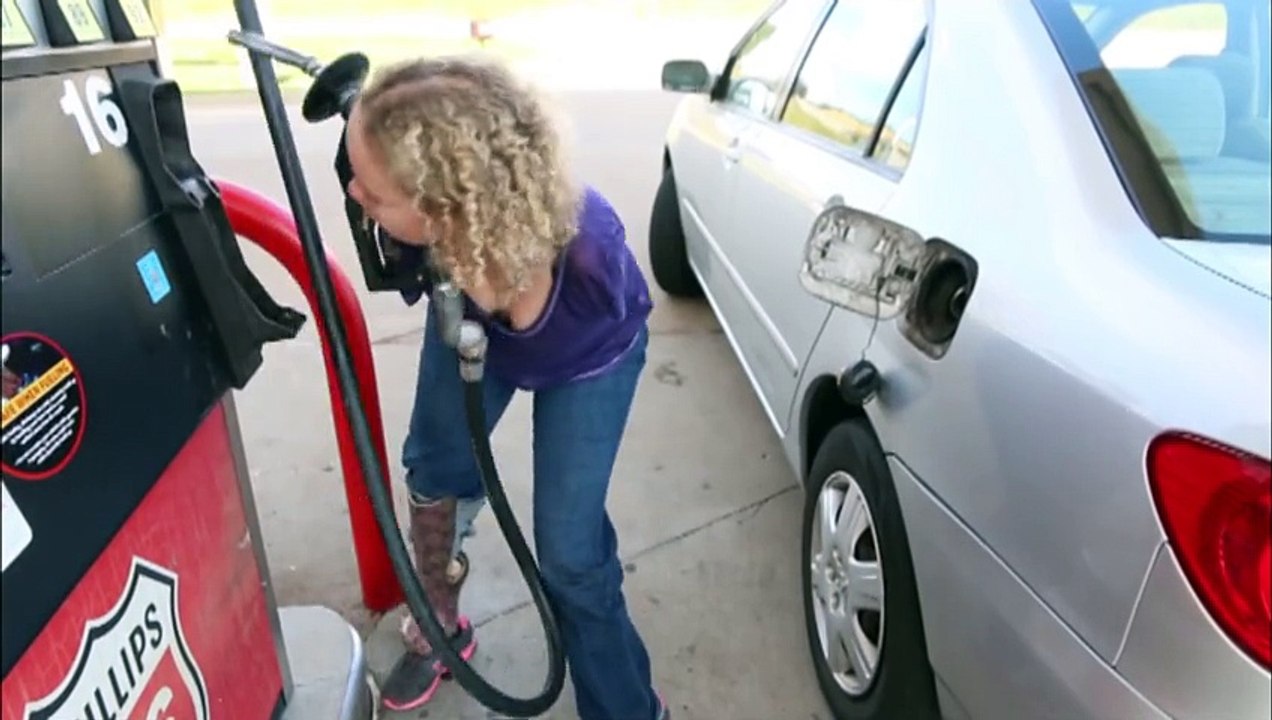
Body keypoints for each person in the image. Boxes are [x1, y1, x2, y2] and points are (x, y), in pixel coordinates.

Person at [341, 54, 669, 720]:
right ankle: (439, 622)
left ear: (446, 205)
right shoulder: (440, 237)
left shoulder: (589, 256)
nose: (355, 197)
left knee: (571, 557)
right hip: (476, 333)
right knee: (435, 468)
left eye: (373, 194)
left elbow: (534, 303)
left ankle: (628, 709)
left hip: (588, 361)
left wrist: (496, 301)